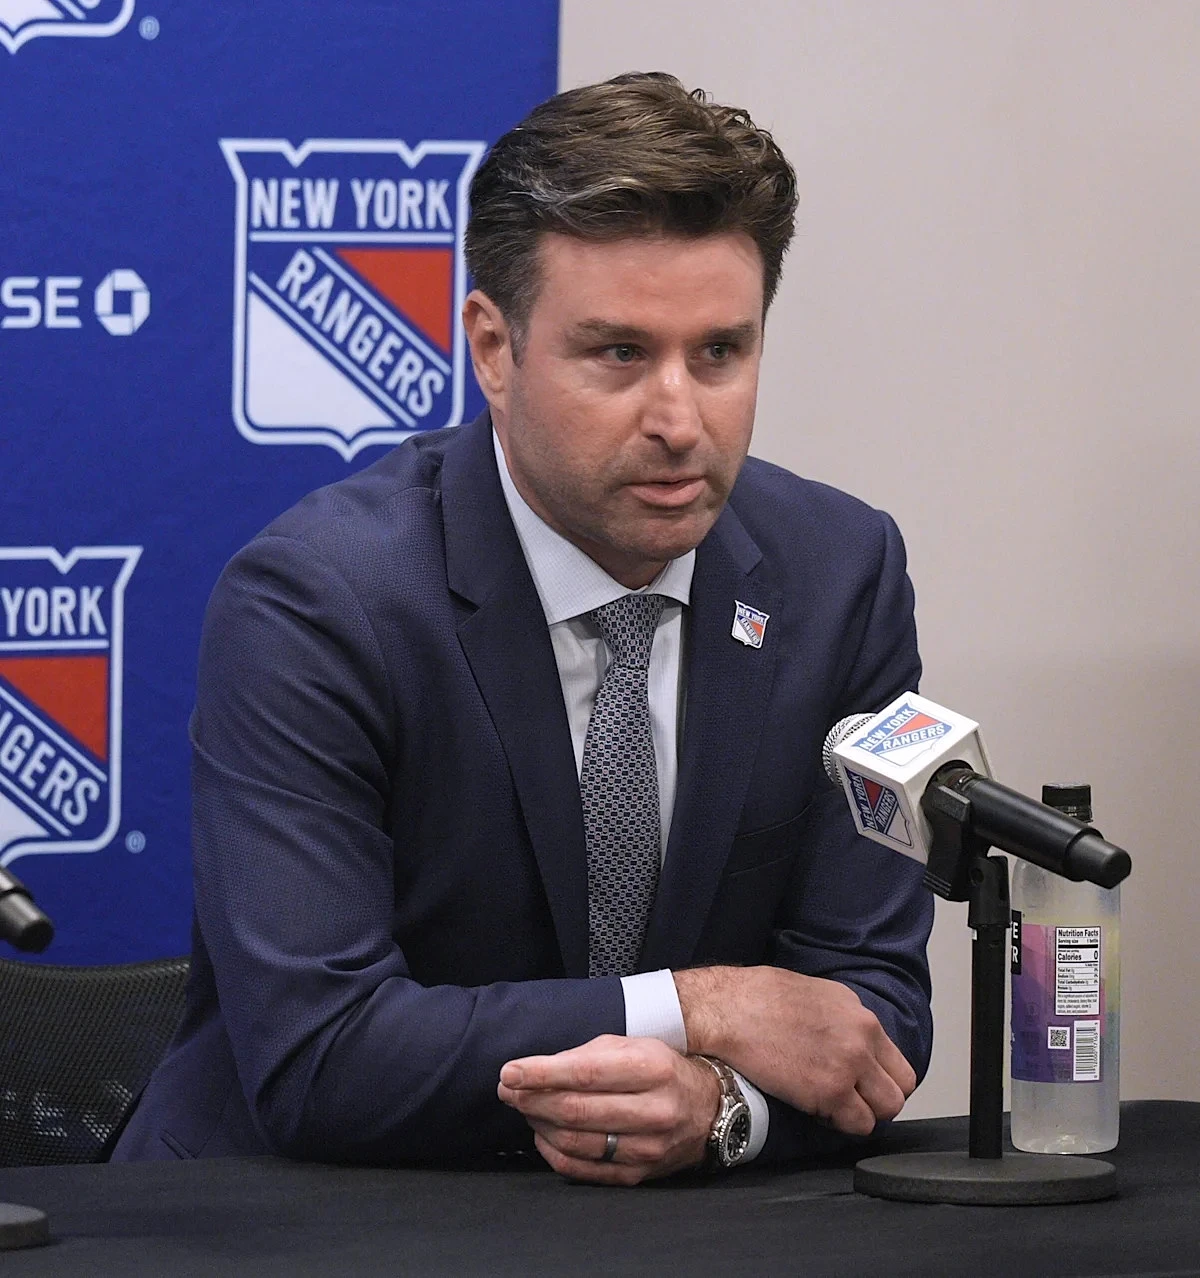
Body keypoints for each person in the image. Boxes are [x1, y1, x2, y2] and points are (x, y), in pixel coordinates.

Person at [113, 72, 934, 1184]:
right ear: (493, 349)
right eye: (619, 354)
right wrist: (700, 1008)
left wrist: (720, 1110)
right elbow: (323, 1055)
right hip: (306, 1217)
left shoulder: (838, 575)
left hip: (666, 1230)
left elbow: (866, 1014)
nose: (679, 419)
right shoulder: (320, 602)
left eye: (720, 353)